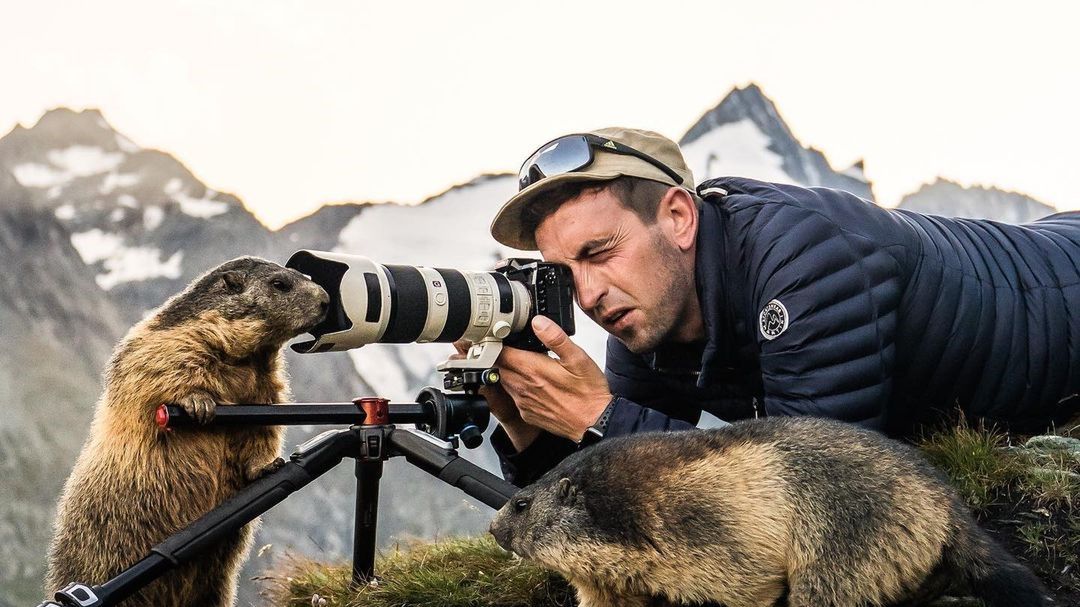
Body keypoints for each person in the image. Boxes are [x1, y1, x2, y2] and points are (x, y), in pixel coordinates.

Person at [482, 127, 1080, 486]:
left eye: (600, 252)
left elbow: (818, 487)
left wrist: (603, 415)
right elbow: (613, 492)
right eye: (565, 271)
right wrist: (530, 426)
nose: (587, 294)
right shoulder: (642, 313)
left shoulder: (805, 258)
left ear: (677, 217)